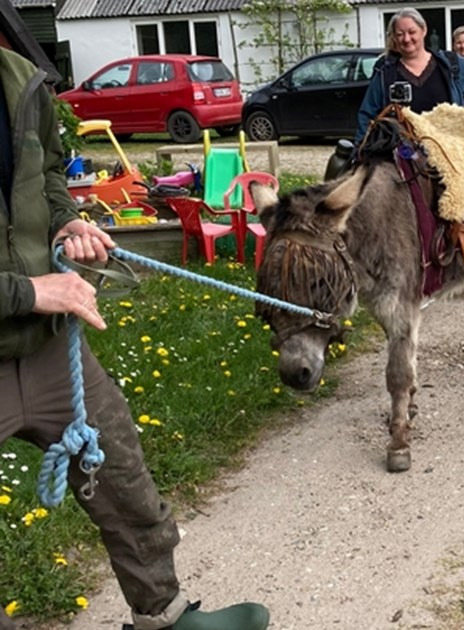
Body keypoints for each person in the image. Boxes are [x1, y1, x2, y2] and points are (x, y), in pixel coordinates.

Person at [0, 47, 269, 630]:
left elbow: (48, 175)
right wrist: (28, 292)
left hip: (46, 346)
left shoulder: (21, 80)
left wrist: (64, 220)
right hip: (32, 307)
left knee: (123, 478)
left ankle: (164, 618)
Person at [356, 8, 464, 142]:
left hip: (447, 147)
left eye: (412, 32)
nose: (406, 39)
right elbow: (367, 114)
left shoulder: (451, 64)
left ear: (424, 30)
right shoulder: (385, 73)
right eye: (400, 34)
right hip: (401, 149)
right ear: (394, 38)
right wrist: (360, 147)